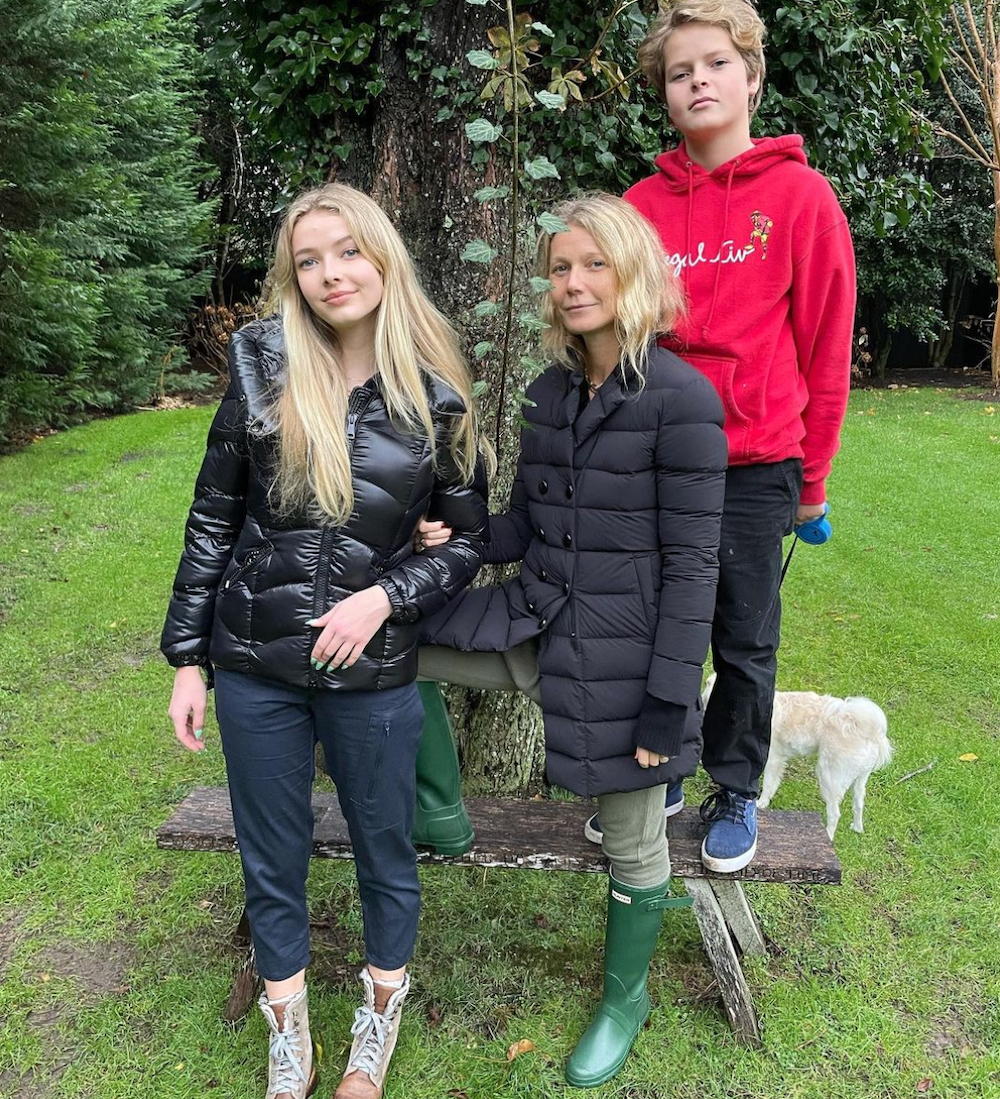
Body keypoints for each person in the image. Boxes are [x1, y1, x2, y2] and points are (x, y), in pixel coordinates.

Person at [160, 183, 489, 1099]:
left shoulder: (435, 399)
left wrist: (385, 596)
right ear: (292, 275)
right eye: (308, 260)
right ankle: (290, 1038)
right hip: (254, 662)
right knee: (272, 856)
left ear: (382, 258)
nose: (331, 273)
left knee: (386, 848)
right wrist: (187, 658)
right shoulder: (261, 368)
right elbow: (212, 516)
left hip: (372, 672)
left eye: (347, 251)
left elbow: (468, 542)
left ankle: (375, 1024)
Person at [417, 193, 727, 1087]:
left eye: (595, 264)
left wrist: (667, 701)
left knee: (632, 842)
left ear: (635, 274)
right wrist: (461, 538)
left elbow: (694, 568)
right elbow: (526, 523)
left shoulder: (682, 400)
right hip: (536, 617)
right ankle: (440, 811)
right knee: (393, 640)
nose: (575, 282)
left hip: (626, 656)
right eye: (561, 267)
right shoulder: (548, 394)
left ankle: (625, 1000)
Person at [622, 0, 856, 872]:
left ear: (751, 77)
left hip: (757, 464)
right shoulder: (640, 207)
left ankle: (735, 784)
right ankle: (660, 768)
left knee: (743, 637)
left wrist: (812, 483)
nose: (698, 82)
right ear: (665, 93)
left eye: (716, 64)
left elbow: (826, 348)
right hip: (656, 460)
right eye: (680, 72)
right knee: (654, 623)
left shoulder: (802, 199)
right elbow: (616, 340)